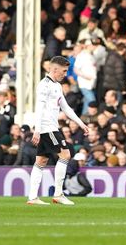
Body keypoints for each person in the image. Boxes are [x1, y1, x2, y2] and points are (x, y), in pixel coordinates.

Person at [27, 55, 92, 206]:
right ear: (54, 69)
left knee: (41, 161)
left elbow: (66, 107)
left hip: (49, 128)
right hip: (47, 128)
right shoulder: (44, 85)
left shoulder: (57, 86)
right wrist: (37, 130)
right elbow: (39, 108)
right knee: (65, 154)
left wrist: (80, 123)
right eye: (63, 71)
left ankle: (32, 197)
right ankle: (58, 194)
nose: (65, 74)